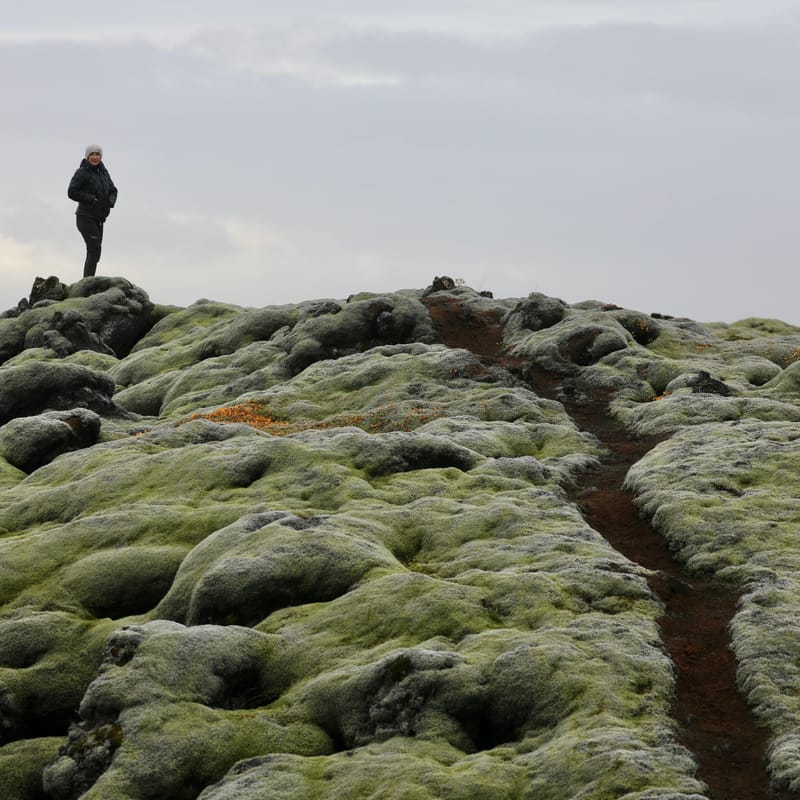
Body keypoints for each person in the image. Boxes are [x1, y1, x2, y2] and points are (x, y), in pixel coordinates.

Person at [68, 145, 118, 278]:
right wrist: (92, 199)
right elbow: (71, 192)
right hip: (85, 217)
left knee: (97, 251)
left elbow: (113, 190)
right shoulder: (82, 172)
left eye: (97, 154)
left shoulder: (104, 172)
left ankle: (89, 281)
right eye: (92, 154)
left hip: (99, 218)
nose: (95, 157)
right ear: (87, 156)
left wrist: (109, 202)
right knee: (94, 249)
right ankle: (87, 283)